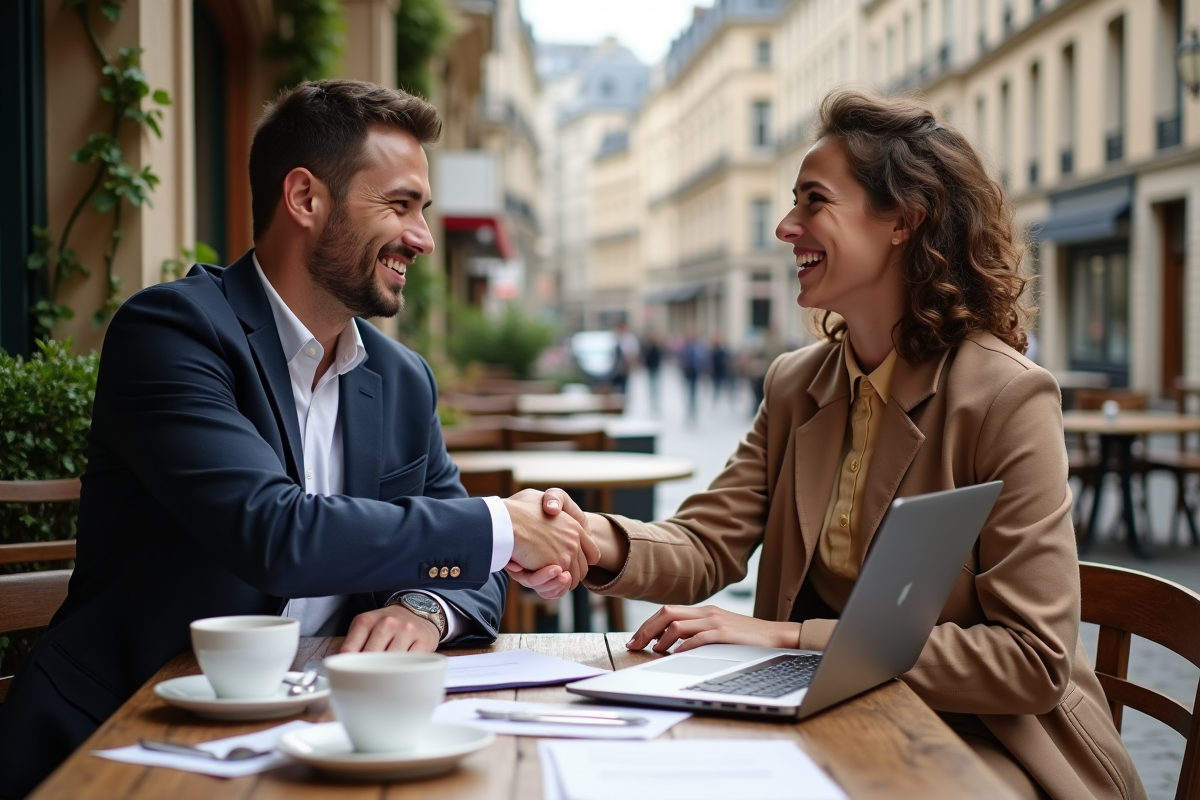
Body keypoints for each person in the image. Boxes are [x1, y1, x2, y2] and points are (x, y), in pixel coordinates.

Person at [511, 91, 1144, 800]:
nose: (786, 226)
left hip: (988, 743)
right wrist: (587, 536)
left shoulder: (1004, 397)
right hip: (829, 719)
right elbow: (707, 543)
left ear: (904, 220)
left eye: (814, 201)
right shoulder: (797, 384)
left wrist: (786, 640)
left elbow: (1032, 661)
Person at [0, 80, 593, 800]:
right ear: (306, 199)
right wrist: (504, 523)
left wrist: (424, 610)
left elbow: (471, 566)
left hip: (324, 743)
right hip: (126, 739)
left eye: (423, 211)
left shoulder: (402, 378)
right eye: (399, 205)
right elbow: (274, 534)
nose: (423, 238)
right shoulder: (172, 333)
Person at [641, 330, 663, 411]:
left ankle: (655, 400)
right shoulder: (648, 347)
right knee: (652, 385)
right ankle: (652, 400)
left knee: (655, 384)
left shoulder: (656, 347)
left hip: (655, 368)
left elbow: (658, 357)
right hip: (650, 368)